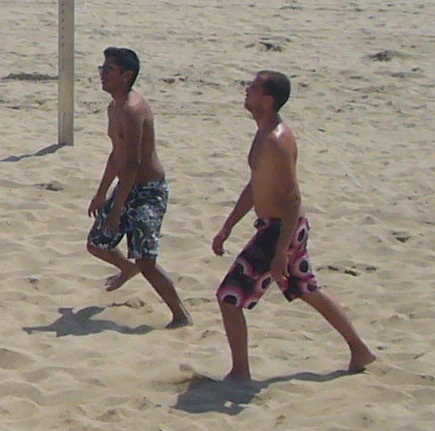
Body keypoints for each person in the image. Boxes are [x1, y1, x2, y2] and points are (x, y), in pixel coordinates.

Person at [210, 71, 373, 382]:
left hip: (280, 229)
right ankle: (359, 349)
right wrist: (228, 226)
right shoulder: (262, 134)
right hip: (277, 227)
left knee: (229, 296)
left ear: (268, 100)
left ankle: (240, 372)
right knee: (307, 288)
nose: (247, 90)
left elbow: (292, 197)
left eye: (254, 88)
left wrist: (281, 251)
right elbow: (255, 184)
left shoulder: (276, 140)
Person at [85, 47, 191, 328]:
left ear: (126, 75)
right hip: (125, 185)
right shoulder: (114, 108)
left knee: (146, 259)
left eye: (109, 69)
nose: (102, 74)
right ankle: (126, 268)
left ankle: (181, 315)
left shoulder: (133, 110)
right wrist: (100, 193)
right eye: (102, 68)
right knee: (97, 244)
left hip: (148, 191)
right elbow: (115, 155)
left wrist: (117, 207)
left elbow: (133, 163)